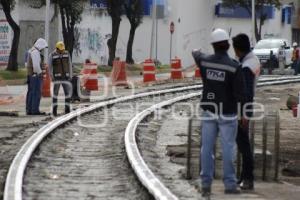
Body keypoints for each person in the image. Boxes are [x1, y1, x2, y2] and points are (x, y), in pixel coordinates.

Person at [192, 29, 245, 197]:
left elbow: (196, 53)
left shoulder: (205, 62)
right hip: (228, 114)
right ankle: (230, 184)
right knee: (228, 148)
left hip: (209, 112)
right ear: (228, 45)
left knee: (206, 149)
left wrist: (198, 51)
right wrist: (244, 112)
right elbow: (240, 94)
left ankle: (205, 184)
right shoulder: (234, 67)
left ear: (213, 46)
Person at [232, 33, 261, 190]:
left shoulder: (246, 67)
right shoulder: (252, 60)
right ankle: (244, 177)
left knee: (244, 146)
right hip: (246, 108)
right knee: (244, 145)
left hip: (243, 109)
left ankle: (248, 179)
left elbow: (247, 93)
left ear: (238, 49)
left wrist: (244, 114)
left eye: (234, 48)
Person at [48, 41, 73, 116]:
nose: (62, 51)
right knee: (55, 94)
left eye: (63, 50)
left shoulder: (67, 53)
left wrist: (70, 75)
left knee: (67, 93)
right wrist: (51, 76)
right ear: (57, 49)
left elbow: (69, 64)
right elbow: (49, 67)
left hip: (66, 77)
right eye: (60, 50)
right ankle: (54, 110)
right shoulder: (52, 55)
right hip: (57, 78)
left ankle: (67, 109)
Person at [26, 38, 48, 115]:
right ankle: (35, 110)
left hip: (31, 75)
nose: (43, 49)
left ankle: (30, 110)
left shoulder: (31, 50)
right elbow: (36, 65)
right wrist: (40, 73)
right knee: (36, 93)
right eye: (43, 47)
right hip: (35, 76)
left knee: (31, 92)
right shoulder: (35, 52)